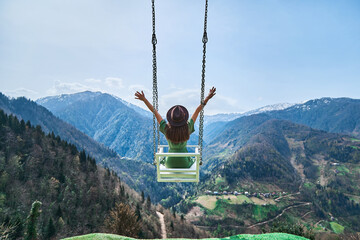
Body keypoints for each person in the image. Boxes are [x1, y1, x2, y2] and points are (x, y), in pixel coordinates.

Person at [135, 87, 216, 168]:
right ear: (184, 118)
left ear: (171, 119)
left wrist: (144, 100)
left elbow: (155, 112)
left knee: (164, 160)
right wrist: (207, 98)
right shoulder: (188, 128)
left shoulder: (166, 129)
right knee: (192, 160)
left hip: (169, 163)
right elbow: (197, 111)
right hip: (184, 163)